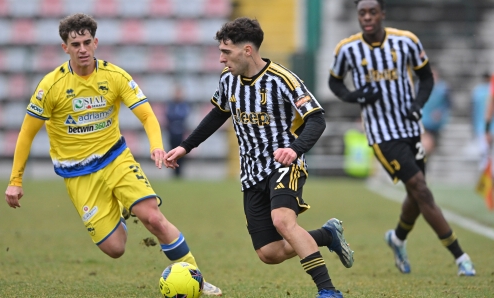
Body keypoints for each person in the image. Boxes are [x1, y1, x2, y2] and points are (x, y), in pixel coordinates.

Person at [3, 13, 222, 296]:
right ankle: (117, 209)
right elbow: (26, 133)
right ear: (64, 48)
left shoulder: (114, 76)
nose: (82, 49)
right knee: (115, 249)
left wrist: (156, 145)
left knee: (152, 218)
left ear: (95, 42)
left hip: (116, 159)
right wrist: (15, 179)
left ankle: (198, 280)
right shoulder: (50, 86)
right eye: (75, 44)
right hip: (78, 174)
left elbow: (146, 114)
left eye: (86, 42)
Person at [165, 17, 353, 298]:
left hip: (283, 164)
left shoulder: (283, 79)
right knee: (270, 252)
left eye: (226, 52)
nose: (220, 59)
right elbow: (218, 113)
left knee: (283, 222)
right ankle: (327, 235)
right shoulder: (228, 80)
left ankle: (328, 291)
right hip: (251, 172)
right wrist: (186, 146)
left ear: (248, 51)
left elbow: (316, 119)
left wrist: (295, 149)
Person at [328, 0, 475, 276]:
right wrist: (355, 96)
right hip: (382, 134)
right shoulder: (347, 48)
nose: (367, 17)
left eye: (373, 12)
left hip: (410, 127)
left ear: (383, 14)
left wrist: (418, 104)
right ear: (358, 17)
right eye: (362, 13)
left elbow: (426, 78)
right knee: (420, 188)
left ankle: (397, 238)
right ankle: (460, 256)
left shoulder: (406, 41)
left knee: (416, 193)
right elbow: (334, 82)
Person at [420, 67, 451, 156]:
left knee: (431, 142)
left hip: (436, 122)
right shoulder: (420, 86)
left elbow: (448, 104)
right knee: (426, 141)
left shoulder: (443, 88)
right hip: (423, 120)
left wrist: (440, 112)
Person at [165, 86, 190, 178]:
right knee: (171, 151)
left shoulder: (184, 104)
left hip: (181, 132)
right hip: (171, 132)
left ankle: (180, 172)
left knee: (181, 152)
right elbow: (169, 115)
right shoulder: (170, 104)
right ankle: (173, 172)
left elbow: (183, 115)